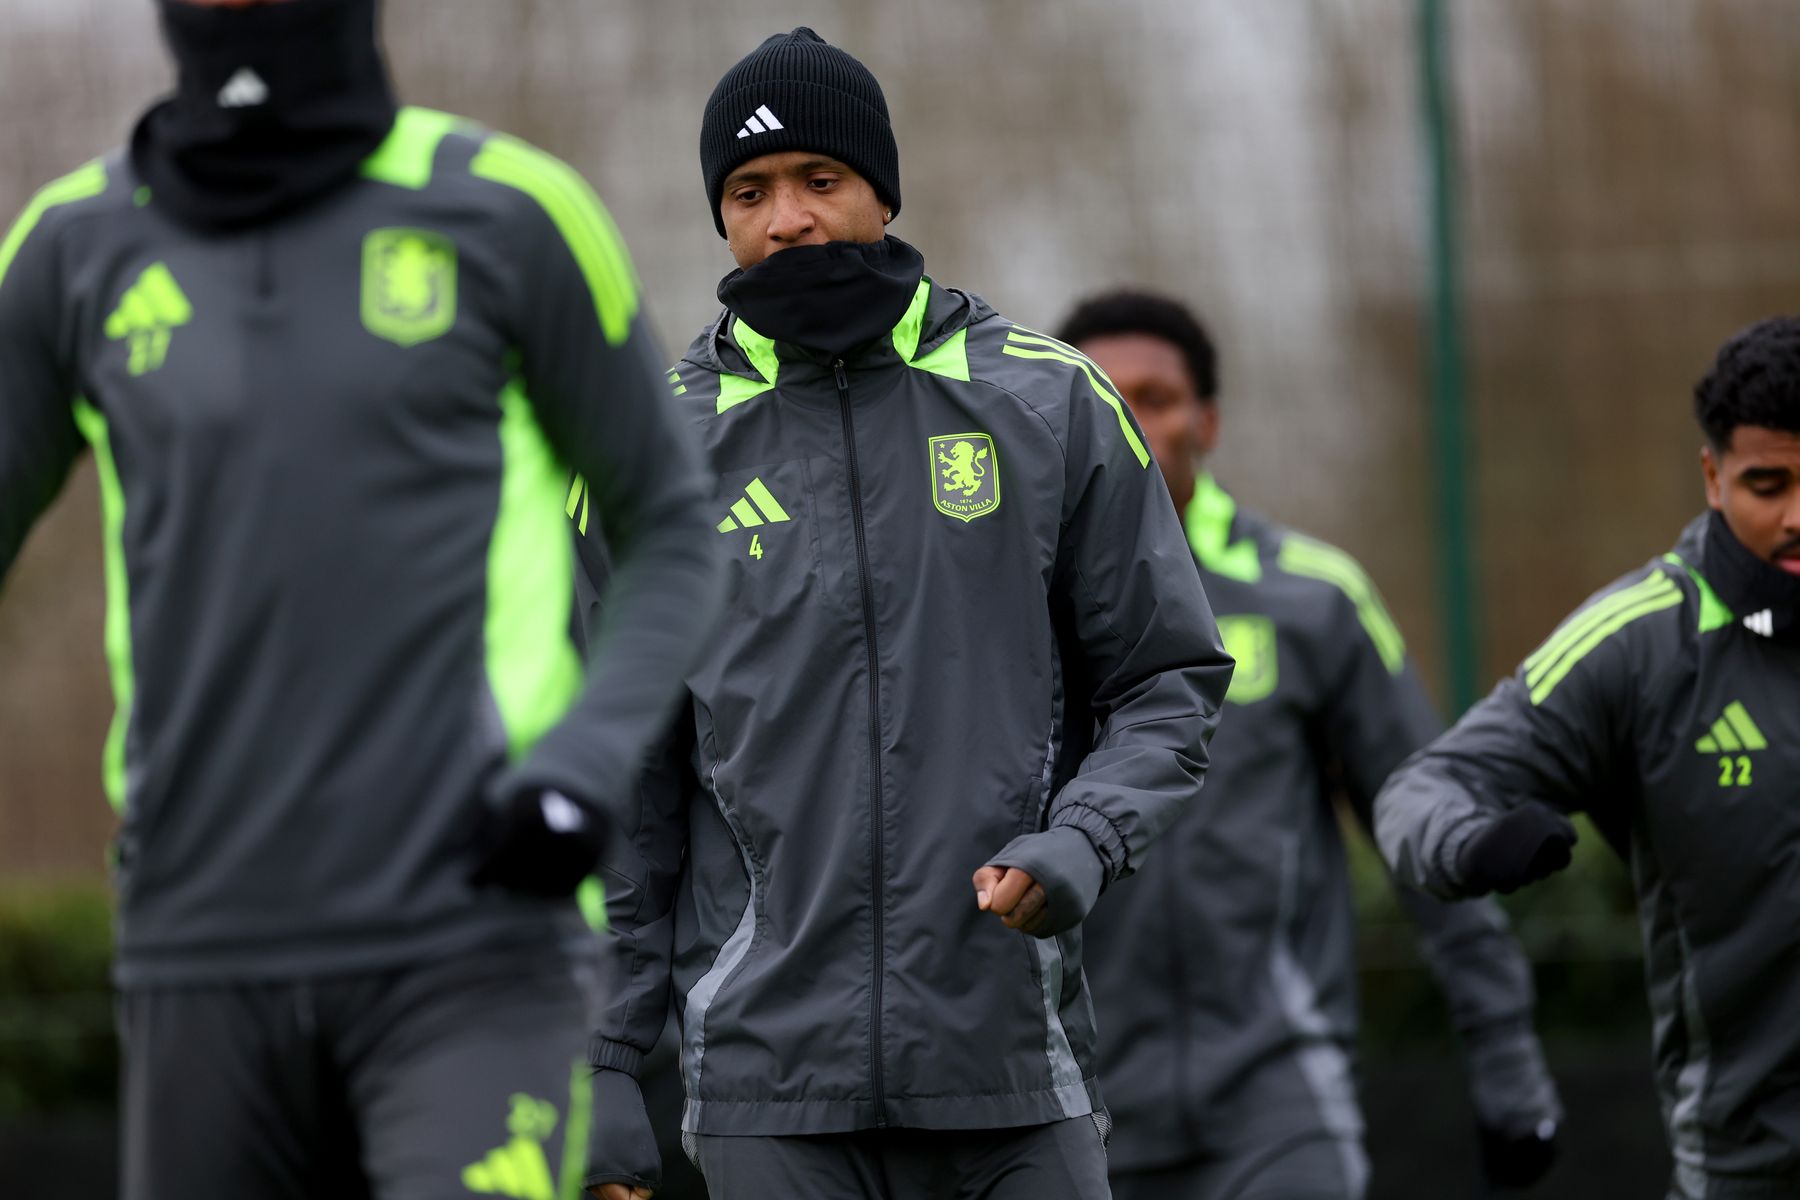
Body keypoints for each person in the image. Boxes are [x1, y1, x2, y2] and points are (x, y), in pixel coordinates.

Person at [0, 1, 723, 1197]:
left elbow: (673, 532)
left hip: (476, 929)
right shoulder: (73, 244)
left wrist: (577, 770)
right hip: (198, 941)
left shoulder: (510, 211)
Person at [578, 28, 1233, 1200]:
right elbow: (617, 788)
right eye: (749, 191)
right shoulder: (651, 452)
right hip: (767, 1097)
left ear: (883, 188)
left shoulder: (1048, 399)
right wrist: (603, 1062)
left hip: (1012, 1073)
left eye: (820, 180)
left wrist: (1082, 839)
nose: (788, 219)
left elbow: (1164, 681)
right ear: (720, 218)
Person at [1055, 290, 1563, 1199]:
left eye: (1158, 398)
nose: (1132, 424)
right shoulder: (1006, 613)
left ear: (1207, 420)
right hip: (1071, 1109)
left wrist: (1507, 1062)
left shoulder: (1314, 597)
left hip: (1278, 1098)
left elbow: (1422, 819)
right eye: (1103, 398)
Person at [1376, 315, 1800, 1200]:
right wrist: (1470, 842)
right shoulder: (1640, 646)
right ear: (1713, 477)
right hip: (1754, 1166)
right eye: (1771, 484)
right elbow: (1426, 787)